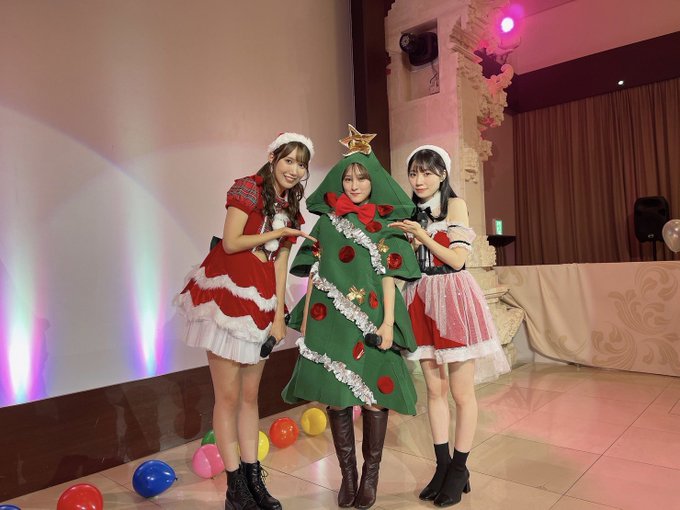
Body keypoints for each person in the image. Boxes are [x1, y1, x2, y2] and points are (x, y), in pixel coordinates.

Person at [282, 126, 421, 509]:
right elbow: (314, 272)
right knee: (337, 399)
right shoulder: (327, 223)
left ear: (373, 180)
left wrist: (388, 323)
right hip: (331, 320)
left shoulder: (385, 225)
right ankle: (348, 476)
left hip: (374, 318)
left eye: (361, 177)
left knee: (375, 397)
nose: (355, 185)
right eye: (348, 178)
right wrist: (306, 322)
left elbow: (389, 276)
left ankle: (370, 477)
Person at [175, 132, 316, 510]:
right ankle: (235, 488)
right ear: (273, 158)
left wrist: (279, 313)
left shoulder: (291, 206)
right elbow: (231, 242)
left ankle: (255, 482)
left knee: (251, 397)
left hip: (262, 300)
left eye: (301, 164)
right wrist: (278, 232)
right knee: (228, 397)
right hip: (227, 296)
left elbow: (281, 262)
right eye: (288, 160)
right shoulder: (248, 189)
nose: (294, 169)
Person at [389, 145, 510, 507]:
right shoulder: (410, 211)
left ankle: (459, 469)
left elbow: (457, 260)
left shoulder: (454, 206)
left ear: (442, 174)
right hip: (420, 297)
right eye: (414, 173)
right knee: (434, 391)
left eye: (427, 172)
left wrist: (422, 235)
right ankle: (442, 467)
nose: (419, 180)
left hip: (453, 299)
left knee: (461, 393)